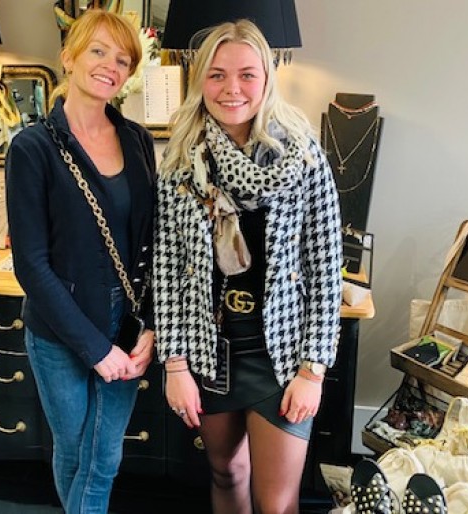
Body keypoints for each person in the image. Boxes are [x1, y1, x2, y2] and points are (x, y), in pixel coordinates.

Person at [153, 20, 343, 514]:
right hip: (210, 352)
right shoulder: (181, 164)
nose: (231, 89)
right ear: (201, 80)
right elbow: (168, 271)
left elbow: (327, 271)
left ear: (267, 79)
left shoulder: (303, 158)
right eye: (217, 75)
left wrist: (313, 371)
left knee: (275, 503)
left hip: (281, 356)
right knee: (226, 472)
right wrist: (175, 366)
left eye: (246, 75)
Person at [5, 9, 157, 514]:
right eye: (98, 51)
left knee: (103, 456)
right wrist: (95, 349)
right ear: (68, 57)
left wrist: (151, 325)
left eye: (123, 59)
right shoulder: (33, 148)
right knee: (75, 452)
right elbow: (31, 264)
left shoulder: (137, 140)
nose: (110, 66)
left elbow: (152, 240)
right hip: (59, 328)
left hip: (127, 320)